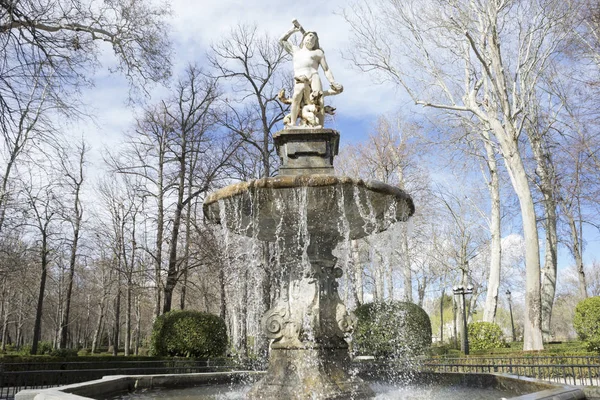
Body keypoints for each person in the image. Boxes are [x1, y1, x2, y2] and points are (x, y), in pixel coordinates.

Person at [280, 20, 343, 127]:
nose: (311, 39)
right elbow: (282, 41)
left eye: (314, 38)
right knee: (296, 98)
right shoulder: (296, 51)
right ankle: (293, 124)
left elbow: (326, 69)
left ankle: (320, 127)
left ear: (316, 42)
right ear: (304, 38)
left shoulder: (318, 53)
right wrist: (292, 30)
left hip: (314, 77)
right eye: (309, 36)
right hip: (300, 79)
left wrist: (333, 82)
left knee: (319, 101)